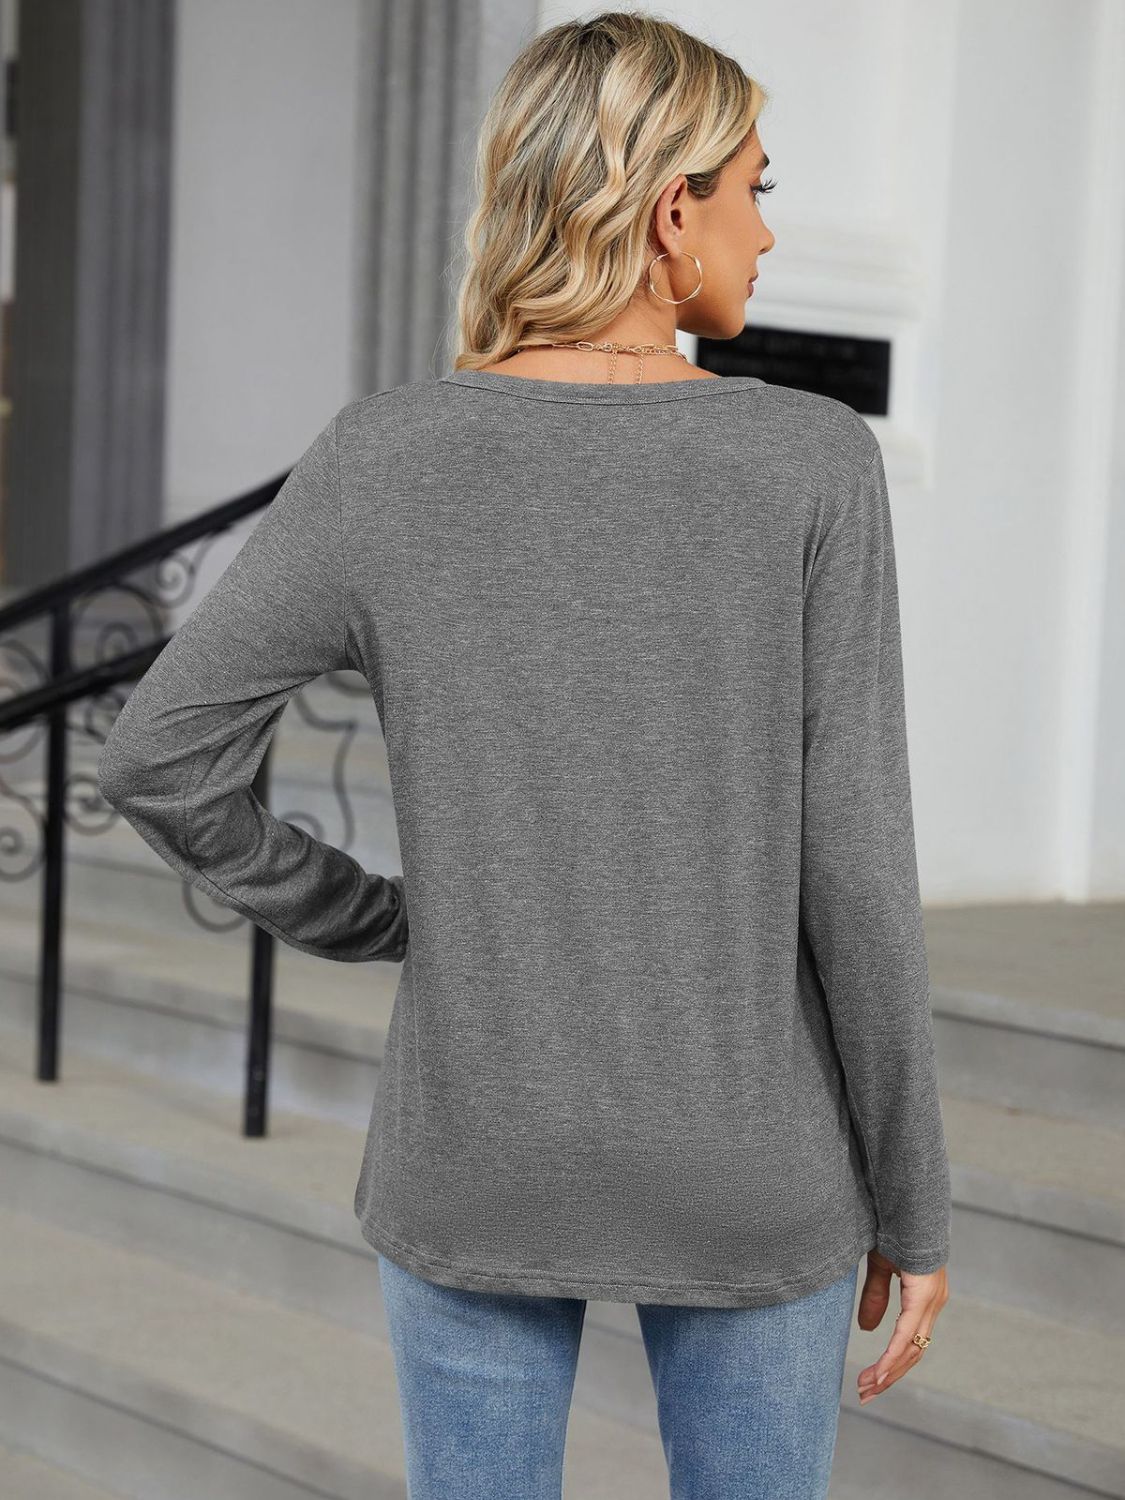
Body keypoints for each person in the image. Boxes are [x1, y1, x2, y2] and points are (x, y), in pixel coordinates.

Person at [96, 10, 951, 1498]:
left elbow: (157, 759)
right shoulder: (809, 463)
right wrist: (913, 1199)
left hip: (476, 1146)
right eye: (753, 188)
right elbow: (857, 869)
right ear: (670, 212)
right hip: (752, 1159)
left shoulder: (385, 456)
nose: (766, 230)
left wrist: (377, 920)